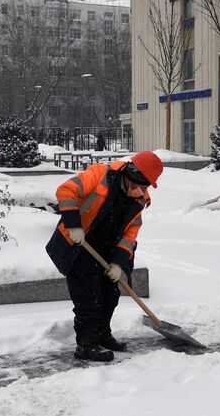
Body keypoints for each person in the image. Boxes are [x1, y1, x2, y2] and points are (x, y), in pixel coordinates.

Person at [46, 151, 163, 362]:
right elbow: (65, 190)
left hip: (108, 251)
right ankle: (87, 345)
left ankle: (102, 335)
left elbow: (130, 233)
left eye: (145, 187)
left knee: (110, 295)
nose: (142, 191)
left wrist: (118, 263)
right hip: (80, 245)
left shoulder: (138, 199)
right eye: (140, 186)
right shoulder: (99, 174)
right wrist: (73, 225)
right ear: (132, 175)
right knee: (88, 298)